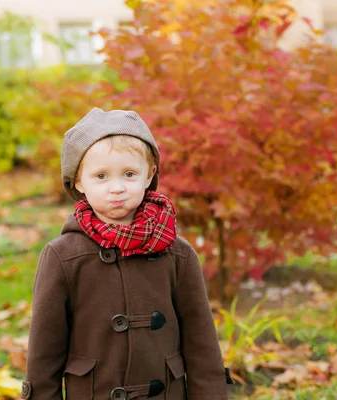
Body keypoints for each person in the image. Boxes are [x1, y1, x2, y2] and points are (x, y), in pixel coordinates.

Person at [21, 108, 231, 400]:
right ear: (79, 182)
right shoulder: (62, 257)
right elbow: (45, 350)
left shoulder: (177, 254)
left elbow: (201, 343)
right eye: (101, 176)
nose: (117, 188)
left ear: (150, 175)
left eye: (129, 174)